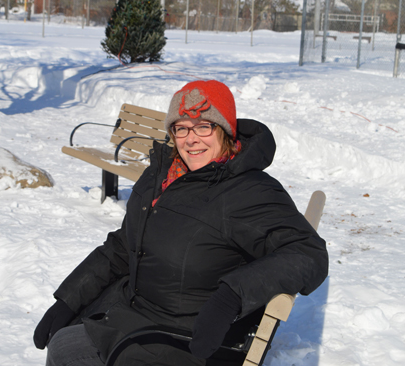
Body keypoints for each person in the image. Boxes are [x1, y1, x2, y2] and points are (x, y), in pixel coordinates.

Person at [34, 80, 329, 366]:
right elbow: (124, 245)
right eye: (181, 128)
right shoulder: (163, 174)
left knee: (66, 351)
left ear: (224, 130)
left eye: (204, 126)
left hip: (190, 337)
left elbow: (308, 253)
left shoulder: (248, 191)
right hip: (140, 315)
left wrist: (230, 297)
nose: (191, 138)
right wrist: (69, 299)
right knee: (63, 342)